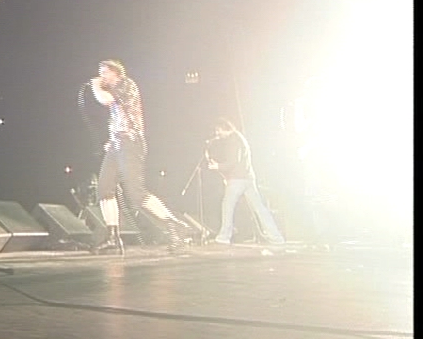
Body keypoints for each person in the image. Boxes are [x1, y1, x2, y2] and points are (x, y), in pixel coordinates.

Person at [89, 59, 187, 255]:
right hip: (117, 144)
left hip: (131, 143)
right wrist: (111, 140)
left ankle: (174, 226)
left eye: (105, 72)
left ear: (115, 72)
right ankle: (113, 237)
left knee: (136, 192)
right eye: (100, 73)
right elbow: (119, 117)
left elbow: (105, 100)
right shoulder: (115, 90)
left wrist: (95, 86)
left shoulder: (126, 84)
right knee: (104, 188)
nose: (101, 76)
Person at [204, 117, 285, 245]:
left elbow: (233, 162)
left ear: (225, 128)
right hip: (248, 178)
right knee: (259, 208)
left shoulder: (233, 140)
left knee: (227, 207)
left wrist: (218, 166)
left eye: (218, 130)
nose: (217, 133)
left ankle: (224, 237)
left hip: (238, 180)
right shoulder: (239, 138)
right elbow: (238, 162)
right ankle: (276, 237)